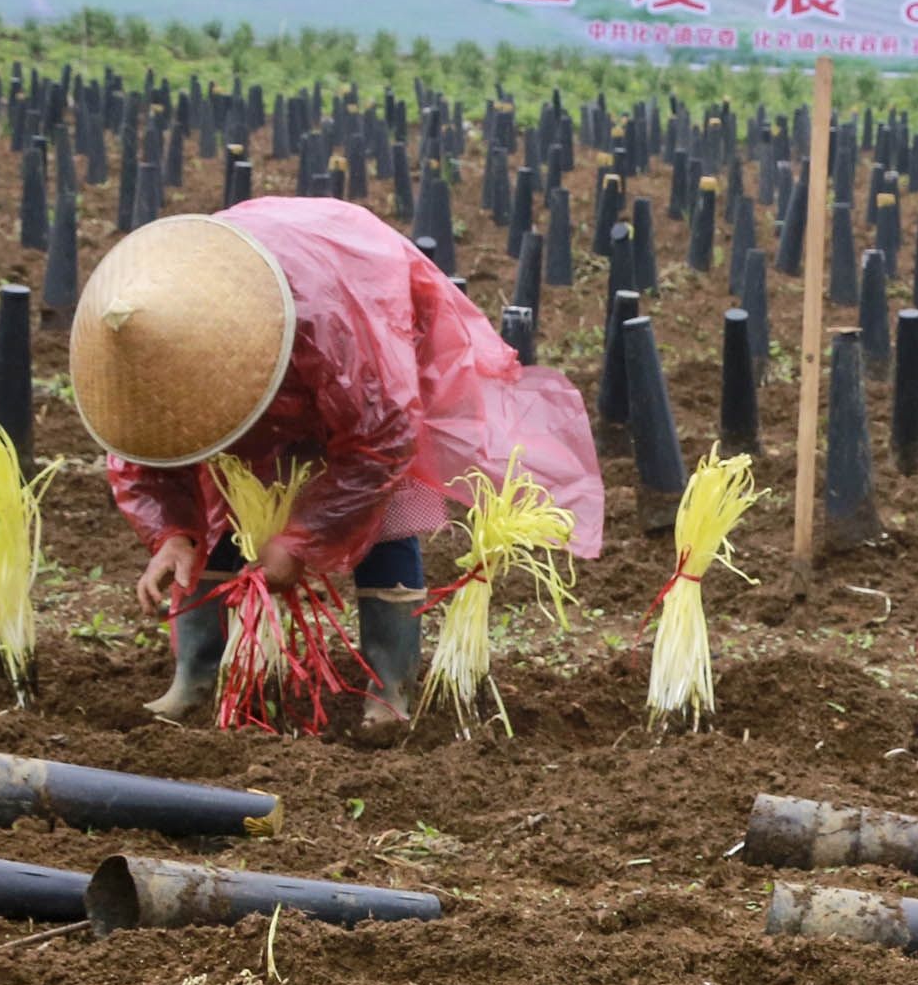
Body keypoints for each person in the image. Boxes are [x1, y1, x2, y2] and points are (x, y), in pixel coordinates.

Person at [73, 198, 605, 740]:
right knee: (228, 499)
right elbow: (146, 449)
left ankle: (390, 686)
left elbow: (382, 444)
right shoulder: (142, 345)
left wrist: (302, 539)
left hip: (358, 311)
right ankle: (199, 674)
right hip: (275, 325)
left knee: (385, 513)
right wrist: (172, 533)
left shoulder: (337, 326)